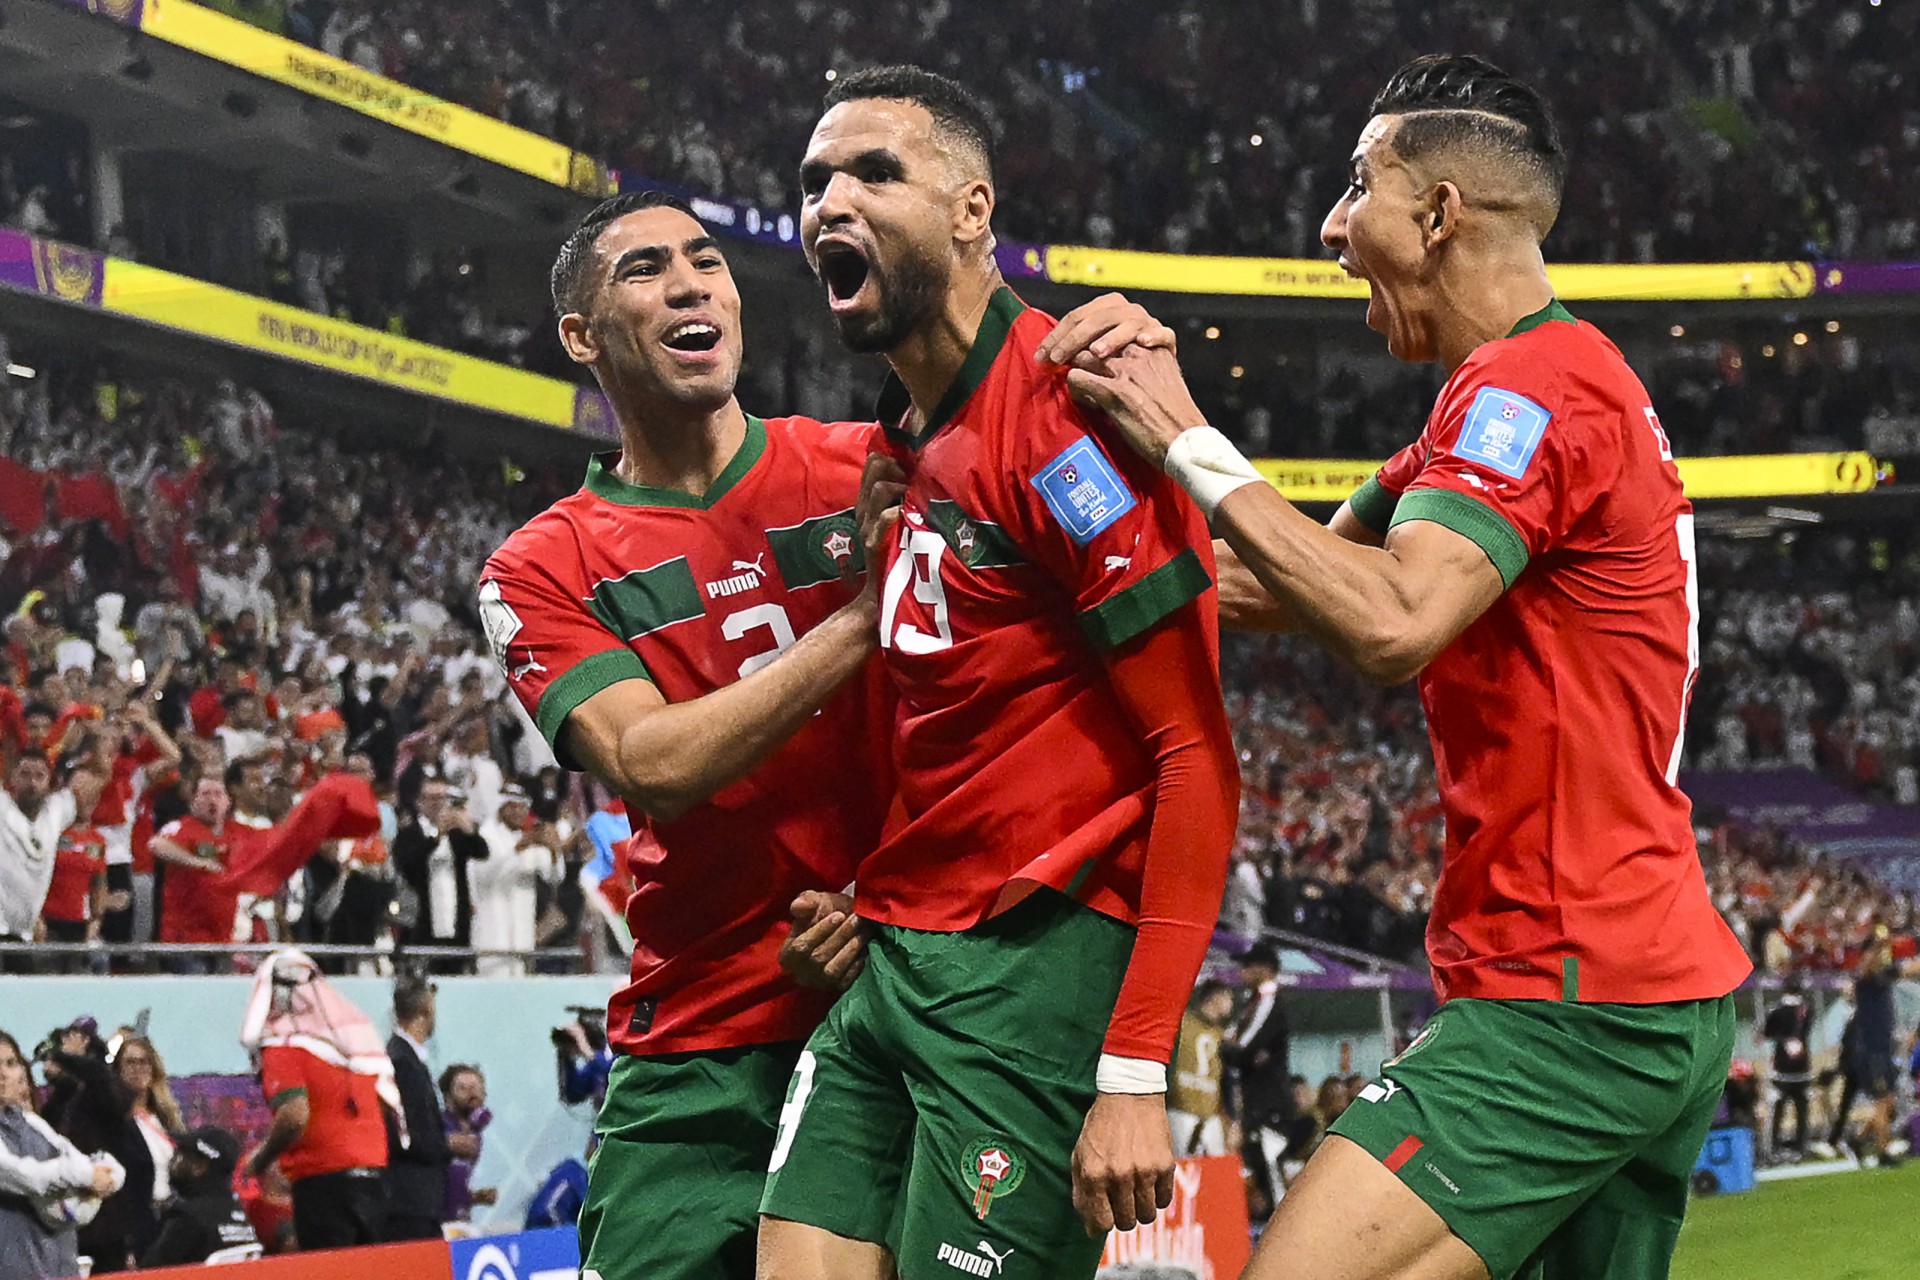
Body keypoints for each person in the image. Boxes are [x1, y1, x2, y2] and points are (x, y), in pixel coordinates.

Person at [1059, 53, 1755, 1280]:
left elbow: (1392, 622)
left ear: (1436, 213)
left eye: (1355, 184)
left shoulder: (1532, 387)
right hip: (1632, 979)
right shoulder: (1498, 399)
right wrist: (1059, 512)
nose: (1331, 226)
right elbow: (1280, 585)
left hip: (1571, 993)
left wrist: (1183, 434)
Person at [758, 66, 1239, 1280]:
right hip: (895, 948)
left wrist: (1134, 1072)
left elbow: (1198, 758)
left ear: (973, 210)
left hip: (1031, 972)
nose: (830, 203)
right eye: (815, 181)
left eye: (875, 172)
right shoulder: (901, 436)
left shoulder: (1071, 410)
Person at [481, 189, 893, 1280]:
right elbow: (649, 763)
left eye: (706, 261)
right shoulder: (543, 564)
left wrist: (892, 899)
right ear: (582, 336)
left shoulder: (870, 465)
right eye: (645, 268)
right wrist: (863, 613)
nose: (690, 283)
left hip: (900, 986)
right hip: (704, 1033)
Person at [241, 951, 395, 1252]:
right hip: (374, 1179)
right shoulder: (356, 1047)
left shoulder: (284, 1047)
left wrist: (261, 1159)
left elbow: (294, 1115)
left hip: (324, 1184)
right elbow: (385, 1103)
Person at [0, 1030, 122, 1280]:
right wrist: (88, 1177)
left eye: (10, 1063)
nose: (3, 1074)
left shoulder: (32, 1123)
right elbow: (24, 1175)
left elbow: (83, 1160)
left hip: (61, 1268)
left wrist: (110, 1175)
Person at [383, 976, 472, 1241]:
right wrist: (448, 1144)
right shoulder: (403, 1063)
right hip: (411, 1203)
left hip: (418, 1203)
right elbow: (406, 1135)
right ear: (427, 1010)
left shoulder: (405, 1059)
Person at [1223, 945, 1298, 1217]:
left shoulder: (1269, 1001)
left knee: (1271, 1169)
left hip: (1270, 1105)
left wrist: (1237, 1052)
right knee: (1262, 1173)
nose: (1242, 971)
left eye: (1248, 965)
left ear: (1265, 968)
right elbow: (1233, 1046)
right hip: (1255, 1106)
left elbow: (1240, 1048)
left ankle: (1284, 1237)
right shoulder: (1251, 1002)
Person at [391, 777, 488, 972]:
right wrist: (436, 837)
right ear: (419, 802)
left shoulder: (456, 833)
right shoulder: (409, 833)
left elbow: (482, 852)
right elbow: (409, 864)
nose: (437, 804)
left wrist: (468, 829)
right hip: (422, 923)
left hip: (455, 923)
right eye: (432, 798)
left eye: (442, 798)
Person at [151, 776, 241, 973]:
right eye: (205, 794)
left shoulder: (235, 832)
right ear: (193, 801)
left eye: (218, 794)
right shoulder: (182, 827)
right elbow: (157, 844)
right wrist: (196, 862)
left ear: (228, 801)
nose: (212, 800)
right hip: (184, 939)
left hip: (222, 938)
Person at [140, 1127, 262, 1267]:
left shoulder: (188, 1217)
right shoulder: (237, 1213)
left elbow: (150, 1271)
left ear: (199, 1167)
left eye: (181, 1155)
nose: (174, 1161)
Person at [0, 755, 75, 972]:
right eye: (24, 775)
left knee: (20, 1001)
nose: (31, 783)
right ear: (12, 777)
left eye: (39, 776)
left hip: (22, 933)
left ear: (50, 782)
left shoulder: (56, 811)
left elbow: (99, 775)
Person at [112, 1036, 181, 1228]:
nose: (138, 1069)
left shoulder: (165, 1118)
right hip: (141, 1218)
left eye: (144, 1062)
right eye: (130, 1062)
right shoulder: (117, 1123)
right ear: (118, 1071)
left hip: (173, 1214)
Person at [1167, 982, 1234, 1158]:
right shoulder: (1182, 1024)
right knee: (1181, 1170)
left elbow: (1226, 1078)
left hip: (1211, 1115)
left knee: (1213, 1173)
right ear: (1214, 997)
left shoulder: (1221, 1035)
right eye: (1228, 998)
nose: (1231, 1004)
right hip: (1180, 1110)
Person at [1761, 972, 1814, 1160]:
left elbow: (1766, 1033)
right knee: (1802, 1110)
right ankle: (1801, 1147)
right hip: (1802, 1067)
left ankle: (1773, 1148)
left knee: (1778, 1109)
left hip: (1781, 1068)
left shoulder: (1775, 1010)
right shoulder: (1807, 1008)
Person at [438, 1064, 494, 1224]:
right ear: (448, 1097)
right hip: (436, 1224)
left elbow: (453, 1187)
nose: (472, 1093)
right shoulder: (439, 1127)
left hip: (460, 1221)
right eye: (463, 1088)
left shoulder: (475, 1135)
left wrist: (476, 1197)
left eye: (476, 1088)